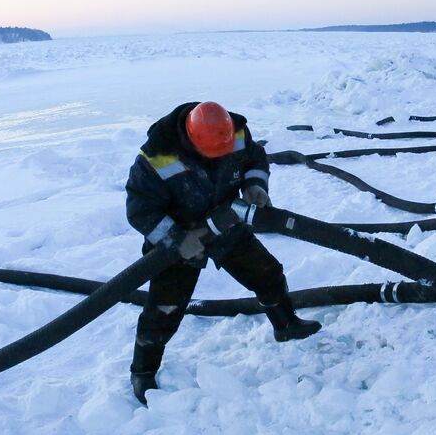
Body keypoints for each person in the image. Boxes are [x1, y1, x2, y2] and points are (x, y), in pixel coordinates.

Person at [124, 101, 321, 404]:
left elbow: (255, 158)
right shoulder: (156, 156)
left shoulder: (236, 134)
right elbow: (140, 209)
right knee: (164, 308)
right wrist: (177, 239)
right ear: (191, 140)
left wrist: (255, 184)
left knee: (267, 273)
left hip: (225, 222)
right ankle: (143, 372)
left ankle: (286, 324)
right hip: (178, 240)